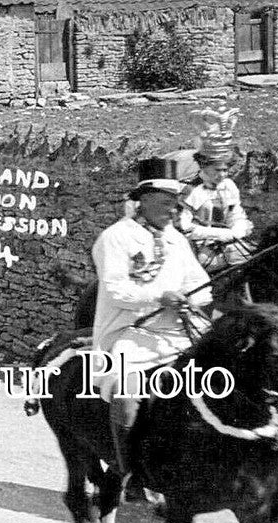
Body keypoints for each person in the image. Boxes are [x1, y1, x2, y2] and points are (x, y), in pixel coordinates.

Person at [92, 157, 213, 474]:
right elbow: (116, 290)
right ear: (143, 201)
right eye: (165, 203)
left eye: (176, 204)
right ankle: (127, 469)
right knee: (125, 386)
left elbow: (200, 286)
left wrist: (192, 300)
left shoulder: (176, 239)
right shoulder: (116, 237)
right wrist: (160, 296)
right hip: (130, 332)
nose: (174, 211)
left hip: (177, 329)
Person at [177, 105, 253, 269]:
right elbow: (184, 227)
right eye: (217, 170)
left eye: (225, 169)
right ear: (204, 167)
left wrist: (238, 229)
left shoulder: (229, 186)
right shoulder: (190, 189)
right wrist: (221, 234)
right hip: (197, 249)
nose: (223, 175)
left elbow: (235, 213)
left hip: (229, 245)